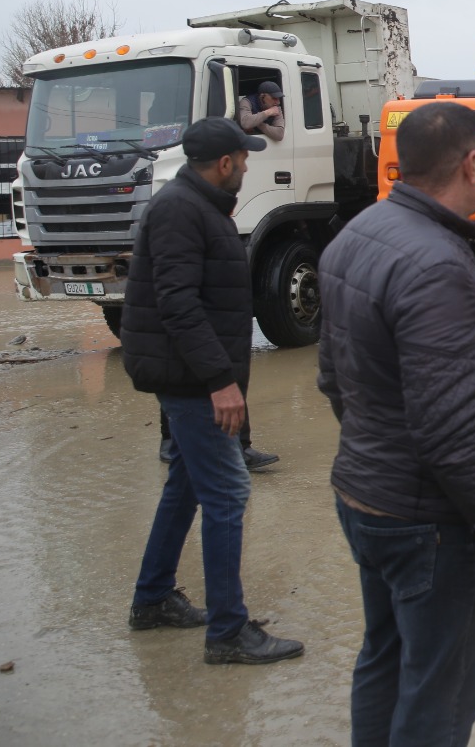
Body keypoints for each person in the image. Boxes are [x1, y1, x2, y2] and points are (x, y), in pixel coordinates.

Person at [318, 102, 475, 744]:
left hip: (364, 498)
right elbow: (450, 433)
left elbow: (334, 380)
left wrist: (377, 453)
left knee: (385, 661)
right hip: (428, 525)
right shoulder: (437, 267)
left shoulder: (355, 235)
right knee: (440, 698)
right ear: (471, 164)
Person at [121, 116, 303, 665]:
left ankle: (152, 600)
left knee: (186, 483)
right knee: (228, 492)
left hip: (188, 372)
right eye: (243, 159)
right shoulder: (181, 210)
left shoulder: (197, 205)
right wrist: (220, 381)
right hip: (190, 377)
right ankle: (227, 632)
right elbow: (178, 303)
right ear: (224, 164)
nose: (248, 165)